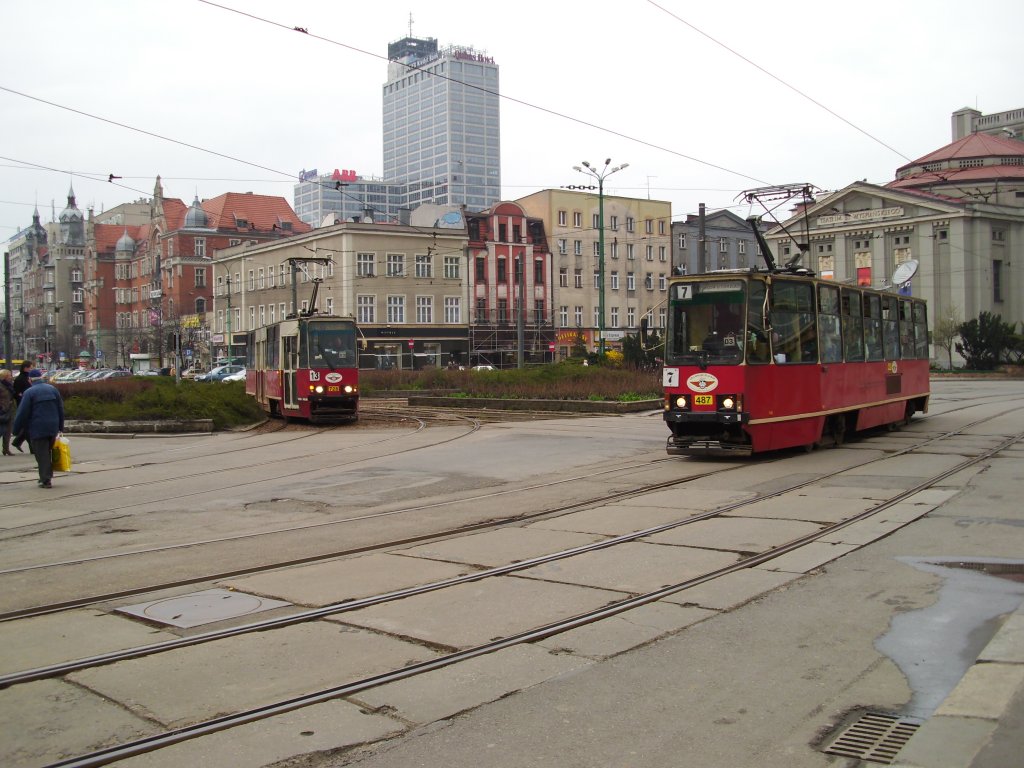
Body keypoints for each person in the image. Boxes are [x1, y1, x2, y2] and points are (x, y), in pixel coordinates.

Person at [12, 370, 65, 488]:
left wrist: (15, 430)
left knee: (41, 454)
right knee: (47, 452)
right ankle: (46, 476)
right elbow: (60, 408)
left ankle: (45, 480)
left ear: (30, 380)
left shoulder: (29, 392)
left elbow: (22, 412)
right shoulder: (53, 389)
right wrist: (61, 426)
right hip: (53, 427)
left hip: (37, 427)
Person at [10, 361, 33, 452]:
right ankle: (32, 446)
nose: (31, 369)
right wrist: (23, 397)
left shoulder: (27, 377)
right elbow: (16, 392)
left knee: (27, 425)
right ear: (25, 368)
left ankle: (17, 441)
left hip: (29, 403)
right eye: (30, 367)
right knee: (27, 426)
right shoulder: (20, 379)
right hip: (24, 404)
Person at [0, 369, 15, 455]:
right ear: (5, 377)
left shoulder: (9, 386)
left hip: (9, 409)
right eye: (9, 376)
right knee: (1, 430)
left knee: (8, 431)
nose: (11, 377)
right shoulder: (1, 386)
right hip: (2, 410)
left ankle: (6, 449)